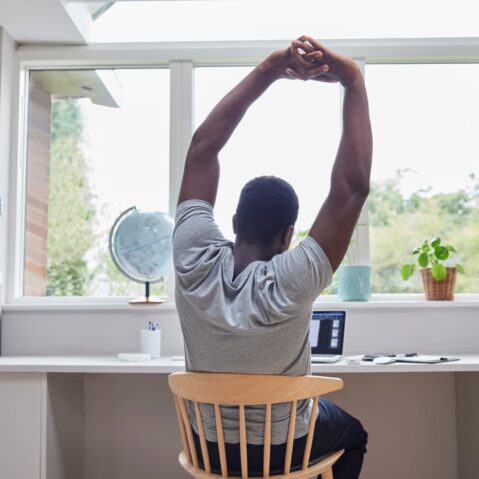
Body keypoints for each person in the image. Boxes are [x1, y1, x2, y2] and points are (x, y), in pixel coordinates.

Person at [173, 35, 372, 479]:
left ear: (233, 218)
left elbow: (202, 148)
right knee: (353, 434)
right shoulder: (292, 279)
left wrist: (270, 69)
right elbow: (352, 189)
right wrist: (353, 81)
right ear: (288, 236)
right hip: (284, 451)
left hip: (208, 450)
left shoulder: (192, 258)